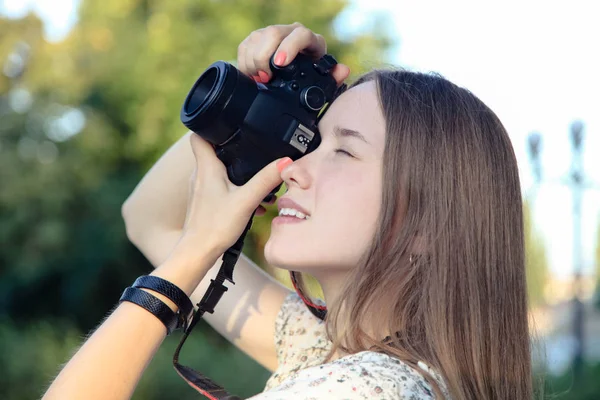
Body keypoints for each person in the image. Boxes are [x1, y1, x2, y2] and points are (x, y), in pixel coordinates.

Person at [43, 22, 532, 399]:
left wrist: (197, 247)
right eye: (311, 143)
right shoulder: (332, 348)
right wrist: (263, 98)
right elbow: (148, 217)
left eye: (343, 151)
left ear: (427, 221)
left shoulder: (361, 389)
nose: (292, 169)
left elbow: (163, 229)